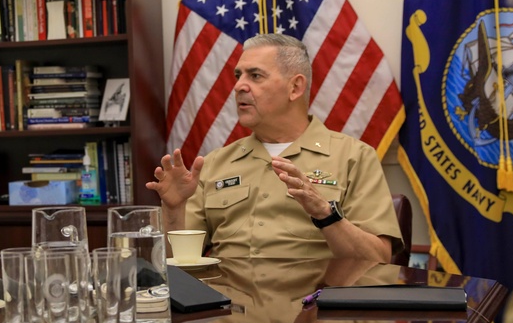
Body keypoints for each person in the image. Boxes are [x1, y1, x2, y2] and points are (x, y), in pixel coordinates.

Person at [147, 33, 402, 262]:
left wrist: (325, 214)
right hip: (230, 310)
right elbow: (175, 263)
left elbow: (378, 260)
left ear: (295, 87)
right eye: (238, 76)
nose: (238, 86)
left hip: (316, 308)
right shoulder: (215, 164)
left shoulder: (353, 157)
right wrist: (173, 209)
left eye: (255, 75)